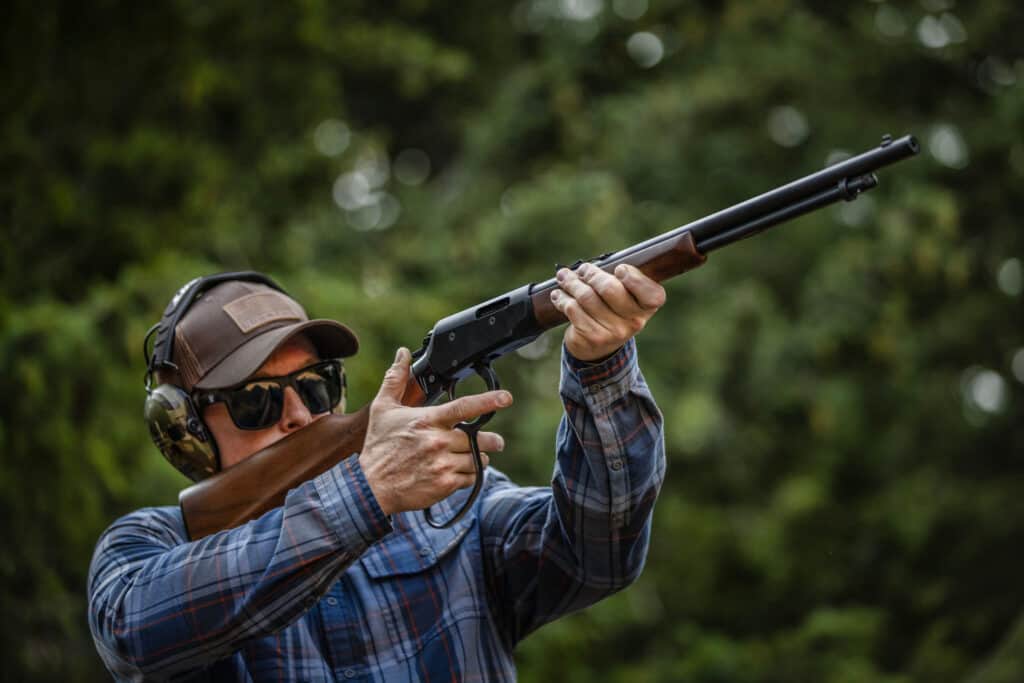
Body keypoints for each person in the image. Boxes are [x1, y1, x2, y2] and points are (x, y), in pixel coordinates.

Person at [88, 263, 668, 681]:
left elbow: (598, 554)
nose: (298, 414)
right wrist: (365, 493)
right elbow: (134, 631)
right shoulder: (148, 545)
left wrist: (601, 367)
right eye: (254, 400)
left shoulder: (444, 506)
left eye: (317, 386)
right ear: (185, 432)